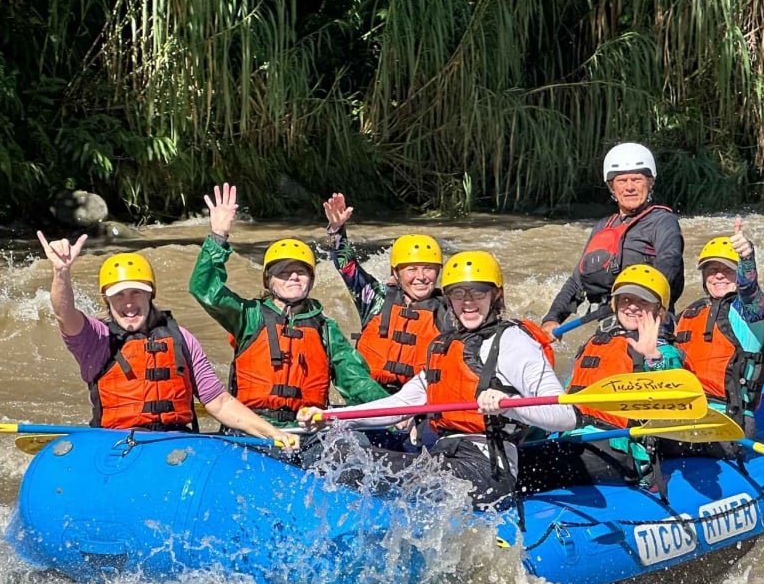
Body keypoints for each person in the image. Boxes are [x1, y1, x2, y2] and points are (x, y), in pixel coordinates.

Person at [298, 250, 575, 505]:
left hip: (487, 467)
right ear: (449, 298)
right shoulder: (443, 346)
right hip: (443, 457)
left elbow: (565, 416)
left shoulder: (513, 341)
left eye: (478, 293)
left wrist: (509, 403)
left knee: (353, 465)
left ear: (496, 295)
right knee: (336, 453)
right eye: (458, 293)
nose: (468, 302)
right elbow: (399, 405)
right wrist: (331, 417)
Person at [34, 231, 295, 448]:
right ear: (107, 300)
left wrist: (272, 432)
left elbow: (219, 402)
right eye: (119, 295)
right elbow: (64, 314)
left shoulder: (182, 338)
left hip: (174, 444)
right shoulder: (96, 339)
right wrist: (61, 272)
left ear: (151, 295)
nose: (129, 303)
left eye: (137, 293)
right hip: (119, 444)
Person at [188, 184, 388, 427]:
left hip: (304, 430)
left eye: (301, 272)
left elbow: (355, 381)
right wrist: (218, 236)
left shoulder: (326, 328)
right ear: (269, 281)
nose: (293, 277)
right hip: (253, 428)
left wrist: (394, 411)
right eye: (284, 272)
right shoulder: (248, 316)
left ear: (311, 279)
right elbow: (205, 289)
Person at [521, 264, 685, 491]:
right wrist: (528, 436)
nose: (632, 307)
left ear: (660, 312)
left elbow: (675, 397)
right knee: (514, 457)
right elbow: (565, 402)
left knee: (529, 465)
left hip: (618, 450)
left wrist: (653, 357)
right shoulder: (595, 344)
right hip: (577, 439)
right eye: (626, 299)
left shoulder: (663, 352)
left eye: (643, 302)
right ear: (615, 304)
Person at [674, 217, 764, 427]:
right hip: (686, 413)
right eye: (711, 270)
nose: (718, 276)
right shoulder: (690, 313)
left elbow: (749, 292)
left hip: (730, 418)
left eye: (727, 269)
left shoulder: (751, 313)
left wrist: (747, 259)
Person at [321, 192, 455, 392]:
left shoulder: (450, 311)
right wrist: (336, 230)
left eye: (428, 268)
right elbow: (346, 267)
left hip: (419, 401)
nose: (421, 276)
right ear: (396, 273)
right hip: (372, 395)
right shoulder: (376, 298)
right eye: (411, 269)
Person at [542, 142, 685, 330]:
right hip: (608, 326)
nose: (629, 187)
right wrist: (552, 318)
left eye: (636, 179)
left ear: (650, 182)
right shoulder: (603, 227)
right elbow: (577, 281)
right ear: (611, 186)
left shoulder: (663, 221)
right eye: (622, 181)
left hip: (648, 324)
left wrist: (632, 300)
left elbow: (670, 263)